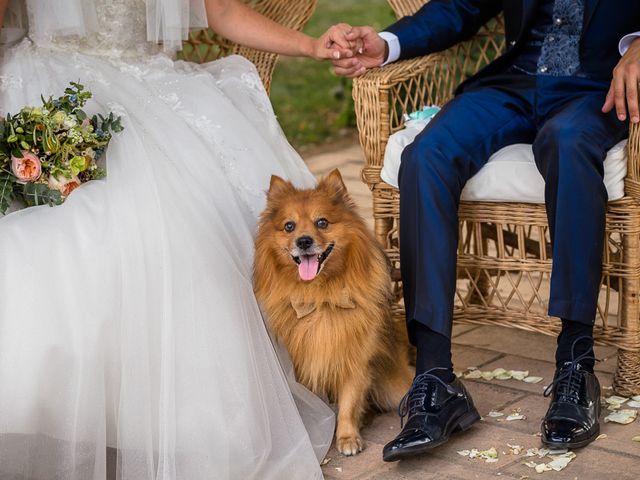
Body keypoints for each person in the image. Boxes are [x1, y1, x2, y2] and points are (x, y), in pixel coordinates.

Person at [0, 0, 355, 478]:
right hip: (49, 86)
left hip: (152, 90)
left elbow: (221, 10)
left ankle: (178, 415)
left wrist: (312, 46)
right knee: (83, 231)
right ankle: (56, 408)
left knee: (200, 216)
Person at [331, 0, 640, 462]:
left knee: (568, 142)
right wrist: (386, 43)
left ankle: (576, 366)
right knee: (426, 156)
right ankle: (436, 380)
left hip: (598, 87)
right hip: (512, 82)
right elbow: (460, 6)